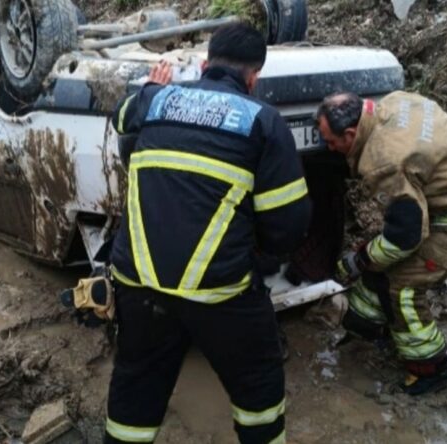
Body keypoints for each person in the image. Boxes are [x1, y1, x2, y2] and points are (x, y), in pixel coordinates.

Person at [104, 23, 311, 443]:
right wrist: (257, 260)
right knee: (258, 390)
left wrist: (147, 87)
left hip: (138, 282)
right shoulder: (263, 122)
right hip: (220, 293)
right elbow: (288, 225)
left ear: (203, 64)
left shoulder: (154, 100)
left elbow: (120, 117)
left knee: (135, 390)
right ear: (254, 78)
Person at [316, 91, 447, 395]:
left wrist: (359, 260)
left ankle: (434, 367)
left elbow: (405, 238)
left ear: (350, 133)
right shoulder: (397, 100)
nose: (330, 149)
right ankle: (368, 324)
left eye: (332, 142)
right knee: (382, 261)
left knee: (403, 284)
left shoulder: (382, 162)